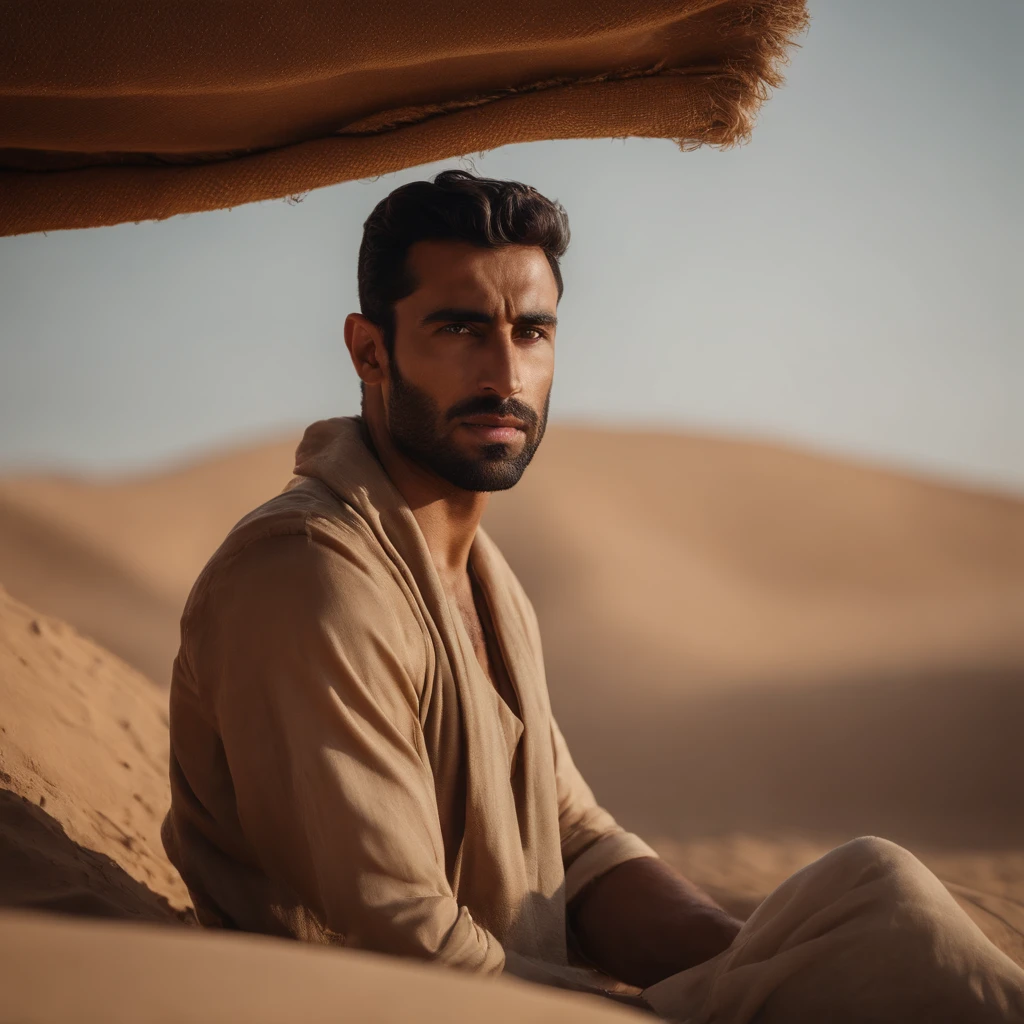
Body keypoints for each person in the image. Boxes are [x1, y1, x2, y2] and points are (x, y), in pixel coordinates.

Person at [162, 170, 1024, 1022]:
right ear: (370, 349)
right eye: (461, 328)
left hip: (520, 1000)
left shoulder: (483, 581)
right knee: (883, 907)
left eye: (532, 331)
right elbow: (401, 935)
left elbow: (573, 847)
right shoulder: (308, 573)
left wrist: (744, 964)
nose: (505, 373)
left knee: (872, 911)